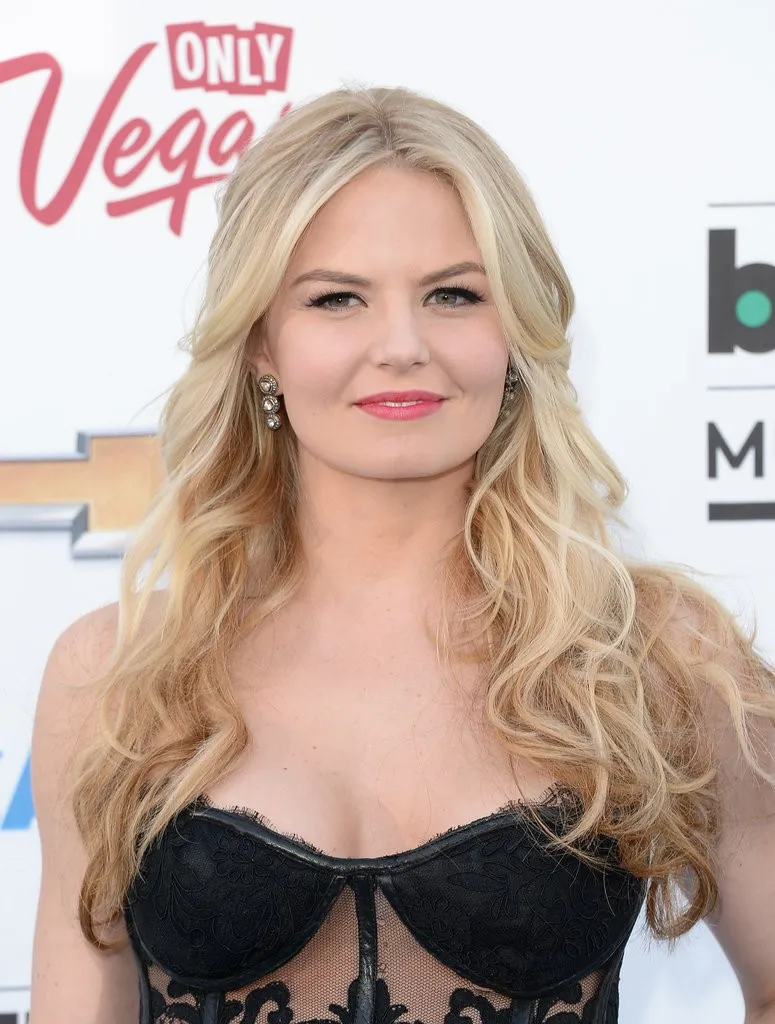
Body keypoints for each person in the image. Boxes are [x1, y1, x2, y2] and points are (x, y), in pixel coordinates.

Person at [28, 84, 775, 1024]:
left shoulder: (654, 654)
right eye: (337, 298)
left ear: (515, 335)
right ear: (260, 343)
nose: (401, 345)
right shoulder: (120, 676)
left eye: (453, 294)